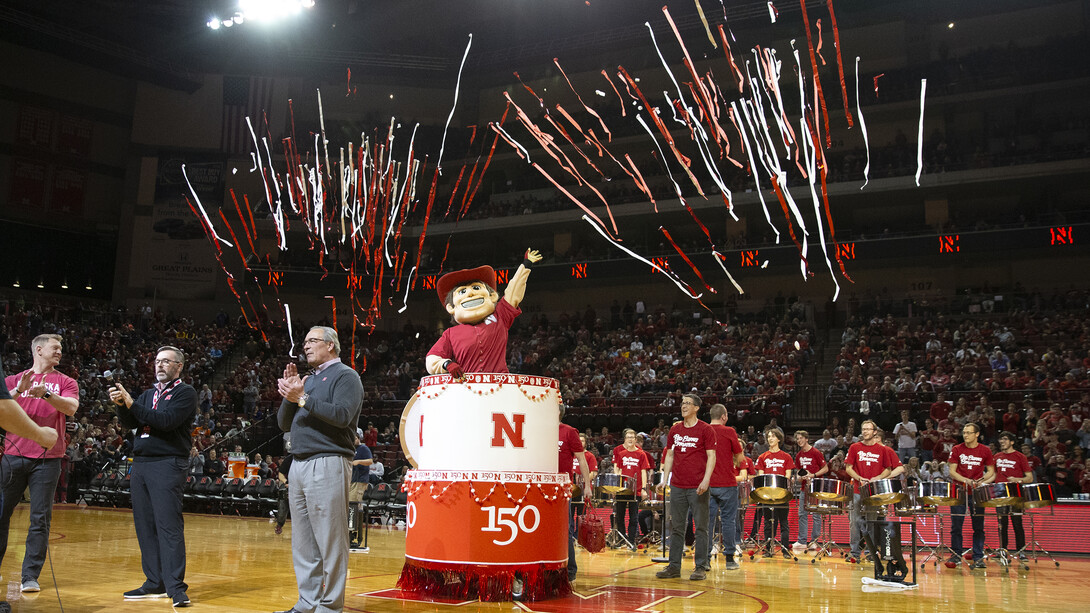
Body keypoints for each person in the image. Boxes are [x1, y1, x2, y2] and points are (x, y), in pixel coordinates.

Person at [276, 326, 364, 613]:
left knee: (331, 539)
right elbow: (283, 424)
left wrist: (302, 398)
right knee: (303, 543)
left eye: (312, 341)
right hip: (298, 465)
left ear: (331, 345)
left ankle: (330, 606)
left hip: (328, 461)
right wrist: (290, 393)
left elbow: (341, 416)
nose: (306, 347)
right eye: (304, 343)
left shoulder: (346, 376)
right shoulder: (307, 380)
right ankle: (307, 603)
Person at [108, 345, 197, 608]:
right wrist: (122, 406)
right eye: (157, 361)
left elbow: (165, 421)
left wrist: (132, 403)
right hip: (142, 463)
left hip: (168, 463)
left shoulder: (186, 393)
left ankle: (176, 588)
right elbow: (131, 423)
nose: (159, 365)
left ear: (179, 366)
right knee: (145, 526)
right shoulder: (148, 394)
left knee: (168, 526)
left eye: (166, 361)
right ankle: (154, 582)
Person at [0, 334, 78, 594]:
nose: (60, 352)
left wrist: (46, 395)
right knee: (1, 514)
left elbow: (70, 408)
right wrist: (19, 391)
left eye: (61, 349)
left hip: (48, 459)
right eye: (55, 348)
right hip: (12, 455)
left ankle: (30, 576)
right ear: (39, 349)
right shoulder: (13, 380)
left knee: (40, 519)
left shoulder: (66, 381)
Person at [425, 249, 542, 376]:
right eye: (462, 292)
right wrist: (446, 364)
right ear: (450, 307)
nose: (470, 293)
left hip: (499, 388)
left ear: (492, 296)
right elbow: (432, 358)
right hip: (466, 389)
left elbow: (513, 292)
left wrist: (526, 265)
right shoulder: (450, 334)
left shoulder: (500, 316)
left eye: (476, 288)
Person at [655, 393, 716, 581]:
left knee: (701, 528)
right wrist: (665, 479)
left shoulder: (706, 430)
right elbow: (670, 456)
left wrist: (706, 480)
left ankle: (700, 566)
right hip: (677, 485)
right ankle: (674, 566)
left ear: (697, 408)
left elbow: (712, 457)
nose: (683, 406)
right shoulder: (675, 430)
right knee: (677, 527)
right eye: (682, 403)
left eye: (688, 403)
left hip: (698, 486)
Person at [844, 420, 902, 564]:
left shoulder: (882, 449)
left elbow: (888, 469)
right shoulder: (854, 447)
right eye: (863, 429)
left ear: (874, 432)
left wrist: (878, 477)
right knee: (854, 522)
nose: (865, 432)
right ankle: (854, 552)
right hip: (857, 489)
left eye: (868, 429)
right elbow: (848, 468)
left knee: (871, 522)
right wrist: (859, 478)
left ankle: (870, 552)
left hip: (874, 491)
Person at [947, 422, 995, 568]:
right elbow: (952, 471)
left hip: (976, 492)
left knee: (978, 526)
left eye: (968, 432)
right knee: (956, 526)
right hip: (959, 491)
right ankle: (956, 554)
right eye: (964, 432)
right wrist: (966, 480)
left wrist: (982, 481)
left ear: (977, 434)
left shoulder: (985, 450)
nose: (965, 435)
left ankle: (978, 556)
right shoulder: (956, 449)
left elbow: (991, 472)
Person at [705, 404, 744, 570]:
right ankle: (729, 559)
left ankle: (704, 560)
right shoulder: (729, 432)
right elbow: (740, 458)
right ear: (724, 417)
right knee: (728, 521)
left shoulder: (703, 430)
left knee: (707, 522)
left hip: (707, 483)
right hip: (727, 483)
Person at [558, 405, 592, 583]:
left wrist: (587, 485)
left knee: (566, 529)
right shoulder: (540, 429)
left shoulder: (569, 432)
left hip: (563, 489)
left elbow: (581, 459)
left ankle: (570, 570)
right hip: (542, 488)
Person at [755, 428, 794, 558]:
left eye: (773, 436)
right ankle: (768, 549)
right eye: (769, 436)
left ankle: (785, 550)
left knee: (783, 523)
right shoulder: (762, 457)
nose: (770, 439)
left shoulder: (786, 456)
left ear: (778, 439)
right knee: (768, 523)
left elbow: (788, 476)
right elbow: (761, 476)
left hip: (781, 494)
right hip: (768, 495)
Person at [994, 430, 1032, 558]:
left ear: (1012, 442)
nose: (1001, 441)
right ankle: (1002, 550)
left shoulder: (1020, 457)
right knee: (1001, 523)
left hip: (1015, 492)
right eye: (1000, 439)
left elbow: (1030, 478)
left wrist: (1017, 480)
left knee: (1017, 522)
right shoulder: (996, 456)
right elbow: (992, 474)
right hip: (1000, 492)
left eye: (1005, 439)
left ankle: (1021, 551)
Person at [611, 428, 650, 550]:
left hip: (636, 491)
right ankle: (623, 540)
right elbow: (617, 471)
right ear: (625, 439)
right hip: (622, 490)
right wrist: (615, 487)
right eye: (628, 437)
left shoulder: (641, 454)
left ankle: (631, 541)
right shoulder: (621, 454)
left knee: (634, 517)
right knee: (620, 516)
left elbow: (644, 472)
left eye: (632, 437)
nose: (630, 439)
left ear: (635, 440)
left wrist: (644, 488)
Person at [793, 430, 828, 550]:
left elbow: (825, 468)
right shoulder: (799, 455)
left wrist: (813, 475)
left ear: (806, 439)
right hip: (804, 487)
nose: (799, 441)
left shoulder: (816, 452)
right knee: (802, 514)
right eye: (797, 439)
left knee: (815, 515)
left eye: (801, 438)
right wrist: (798, 477)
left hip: (816, 487)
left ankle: (815, 541)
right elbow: (799, 471)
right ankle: (802, 540)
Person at [350, 434, 373, 502]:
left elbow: (370, 461)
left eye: (355, 438)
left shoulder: (364, 448)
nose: (354, 441)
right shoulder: (351, 449)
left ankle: (357, 512)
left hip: (360, 479)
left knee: (354, 501)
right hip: (352, 478)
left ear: (359, 439)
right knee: (353, 502)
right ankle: (360, 512)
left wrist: (359, 461)